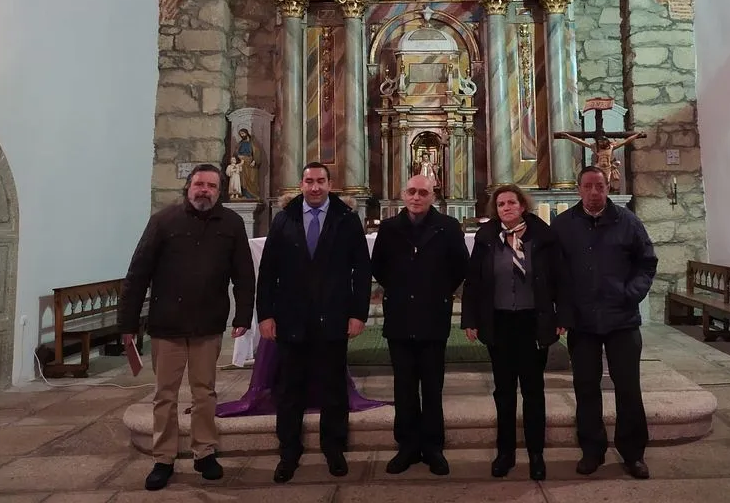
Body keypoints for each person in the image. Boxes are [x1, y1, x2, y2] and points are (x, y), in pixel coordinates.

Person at [118, 163, 255, 492]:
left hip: (207, 324)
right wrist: (127, 324)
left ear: (219, 191)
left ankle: (204, 452)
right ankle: (163, 457)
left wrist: (242, 318)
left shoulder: (232, 223)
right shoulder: (163, 221)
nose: (203, 190)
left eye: (210, 185)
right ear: (188, 187)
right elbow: (138, 274)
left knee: (204, 393)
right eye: (198, 184)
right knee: (164, 395)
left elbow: (244, 276)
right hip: (167, 325)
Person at [256, 162, 372, 482]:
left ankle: (334, 448)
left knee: (333, 387)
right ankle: (289, 451)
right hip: (291, 318)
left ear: (330, 184)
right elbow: (267, 273)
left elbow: (361, 271)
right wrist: (265, 315)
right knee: (290, 388)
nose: (316, 187)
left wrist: (358, 313)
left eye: (321, 181)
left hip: (332, 317)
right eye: (310, 181)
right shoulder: (284, 219)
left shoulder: (346, 221)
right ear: (301, 184)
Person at [550, 165, 657, 479]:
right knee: (585, 388)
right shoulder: (563, 225)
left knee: (628, 388)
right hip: (582, 322)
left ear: (608, 186)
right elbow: (556, 273)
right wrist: (563, 312)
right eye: (588, 186)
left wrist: (631, 293)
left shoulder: (628, 222)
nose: (594, 192)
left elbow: (647, 262)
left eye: (600, 185)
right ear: (579, 189)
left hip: (621, 318)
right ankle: (592, 450)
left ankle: (633, 453)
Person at [461, 184, 572, 481]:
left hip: (532, 322)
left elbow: (560, 279)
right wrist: (470, 319)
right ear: (495, 210)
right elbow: (473, 282)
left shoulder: (543, 237)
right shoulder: (487, 238)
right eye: (501, 204)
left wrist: (561, 315)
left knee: (533, 391)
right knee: (504, 391)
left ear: (522, 205)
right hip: (499, 323)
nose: (506, 208)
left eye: (511, 202)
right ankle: (505, 452)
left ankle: (537, 454)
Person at [370, 174, 469, 476]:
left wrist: (437, 292)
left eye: (423, 192)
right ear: (403, 195)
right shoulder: (388, 229)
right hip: (400, 316)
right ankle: (407, 446)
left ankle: (434, 447)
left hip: (433, 316)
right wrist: (402, 290)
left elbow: (460, 267)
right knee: (403, 387)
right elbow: (380, 268)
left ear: (432, 197)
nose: (416, 197)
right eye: (411, 191)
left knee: (432, 386)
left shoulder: (449, 228)